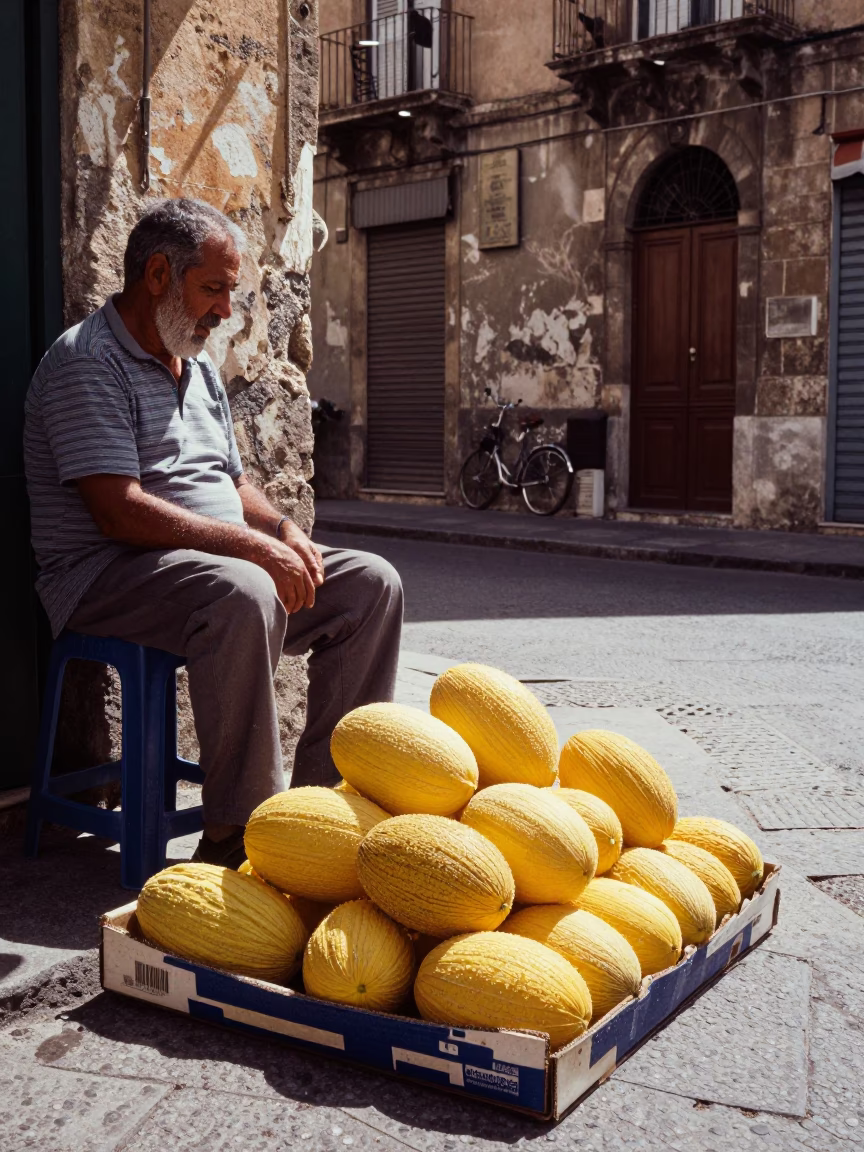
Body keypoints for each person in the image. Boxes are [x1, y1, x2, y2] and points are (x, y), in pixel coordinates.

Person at [24, 198, 402, 869]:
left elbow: (231, 483)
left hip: (207, 566)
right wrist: (252, 548)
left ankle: (321, 815)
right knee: (244, 590)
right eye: (214, 289)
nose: (226, 311)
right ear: (159, 276)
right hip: (104, 574)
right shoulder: (86, 361)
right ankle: (237, 833)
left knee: (372, 584)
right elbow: (120, 512)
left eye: (232, 291)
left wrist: (282, 527)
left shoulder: (193, 362)